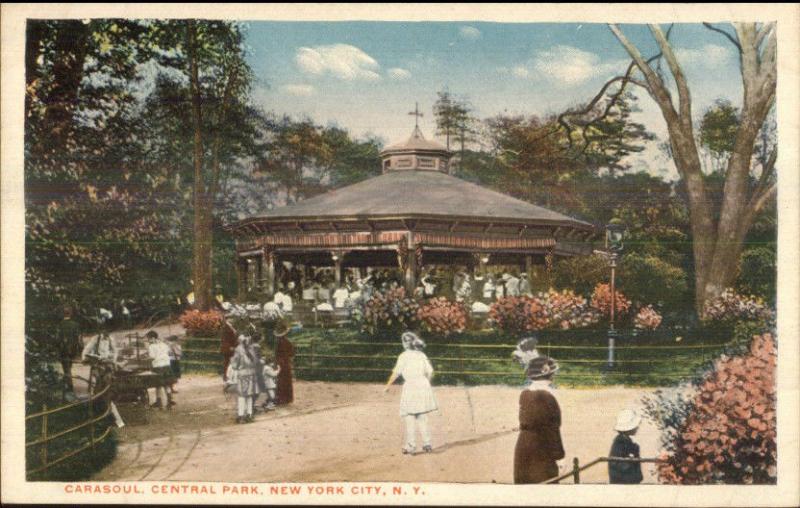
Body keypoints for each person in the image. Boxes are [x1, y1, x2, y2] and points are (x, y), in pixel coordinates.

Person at [384, 332, 438, 455]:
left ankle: (411, 446)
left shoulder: (403, 356)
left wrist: (387, 386)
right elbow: (430, 372)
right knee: (421, 416)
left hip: (411, 387)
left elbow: (396, 373)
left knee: (409, 417)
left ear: (404, 343)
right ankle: (427, 444)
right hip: (423, 385)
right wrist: (426, 384)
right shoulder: (422, 355)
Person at [513, 355, 565, 484]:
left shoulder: (525, 394)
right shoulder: (547, 396)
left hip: (523, 446)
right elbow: (552, 430)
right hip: (542, 449)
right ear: (549, 374)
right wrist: (559, 457)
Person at [226, 334, 259, 423]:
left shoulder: (238, 349)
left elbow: (235, 365)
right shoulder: (251, 348)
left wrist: (231, 361)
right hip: (252, 374)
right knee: (249, 395)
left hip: (242, 375)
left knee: (241, 396)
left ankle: (241, 416)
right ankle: (249, 414)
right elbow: (256, 362)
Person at [608, 409, 644, 484]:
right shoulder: (620, 442)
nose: (637, 427)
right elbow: (616, 464)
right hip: (622, 483)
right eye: (635, 425)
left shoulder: (629, 443)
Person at [56, 305, 83, 394]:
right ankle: (67, 383)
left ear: (63, 314)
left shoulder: (60, 325)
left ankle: (69, 386)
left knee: (66, 368)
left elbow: (57, 339)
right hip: (73, 350)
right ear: (70, 314)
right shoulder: (75, 324)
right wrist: (79, 350)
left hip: (63, 349)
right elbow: (79, 338)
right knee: (68, 367)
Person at [146, 330, 174, 409]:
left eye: (149, 339)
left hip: (158, 367)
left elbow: (152, 357)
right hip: (166, 365)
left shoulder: (151, 346)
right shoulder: (164, 344)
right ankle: (169, 402)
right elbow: (169, 353)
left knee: (157, 385)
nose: (148, 341)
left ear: (153, 338)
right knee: (167, 385)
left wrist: (147, 358)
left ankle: (159, 403)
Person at [274, 322, 295, 405]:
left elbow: (276, 353)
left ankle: (280, 398)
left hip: (279, 361)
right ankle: (287, 398)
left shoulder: (278, 342)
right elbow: (292, 353)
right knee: (286, 380)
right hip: (286, 362)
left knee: (280, 380)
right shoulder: (288, 342)